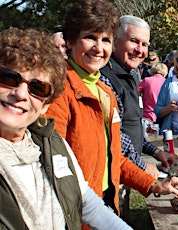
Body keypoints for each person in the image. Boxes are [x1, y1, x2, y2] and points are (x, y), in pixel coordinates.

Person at [45, 0, 178, 220]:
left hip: (105, 201)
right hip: (76, 211)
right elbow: (55, 170)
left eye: (105, 39)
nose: (98, 48)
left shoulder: (103, 91)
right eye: (89, 38)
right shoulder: (57, 92)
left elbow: (112, 154)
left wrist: (153, 184)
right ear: (69, 40)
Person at [0, 26, 133, 230]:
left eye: (38, 88)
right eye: (9, 78)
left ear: (46, 104)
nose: (21, 94)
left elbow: (87, 203)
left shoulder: (50, 141)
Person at [100, 15, 174, 177]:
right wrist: (142, 165)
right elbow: (113, 133)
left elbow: (131, 125)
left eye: (144, 44)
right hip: (112, 170)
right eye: (133, 41)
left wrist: (154, 152)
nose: (140, 50)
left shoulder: (132, 74)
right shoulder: (105, 77)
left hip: (128, 167)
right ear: (115, 41)